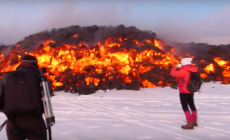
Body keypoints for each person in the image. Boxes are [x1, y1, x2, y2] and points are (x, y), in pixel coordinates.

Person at [0, 54, 47, 140]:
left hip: (13, 123)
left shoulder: (7, 77)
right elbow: (47, 96)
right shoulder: (38, 77)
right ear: (34, 64)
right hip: (34, 122)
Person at [170, 57, 198, 129]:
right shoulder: (194, 69)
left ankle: (189, 123)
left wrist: (175, 67)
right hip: (191, 89)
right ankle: (194, 121)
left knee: (185, 106)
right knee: (192, 104)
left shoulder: (184, 70)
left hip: (184, 90)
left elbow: (172, 73)